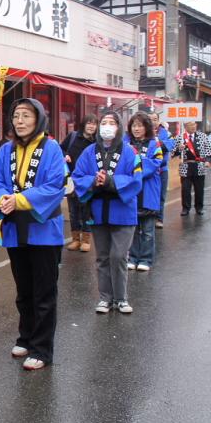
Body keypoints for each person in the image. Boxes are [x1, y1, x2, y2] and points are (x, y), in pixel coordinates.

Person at [0, 98, 65, 371]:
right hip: (14, 229)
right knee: (23, 290)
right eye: (16, 115)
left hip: (44, 231)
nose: (19, 121)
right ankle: (26, 336)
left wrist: (18, 200)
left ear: (39, 119)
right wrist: (1, 199)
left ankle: (42, 349)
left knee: (44, 292)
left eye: (26, 116)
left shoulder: (52, 148)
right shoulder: (5, 150)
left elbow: (55, 185)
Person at [72, 111, 142, 315]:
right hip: (98, 211)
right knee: (102, 257)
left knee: (118, 256)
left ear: (119, 127)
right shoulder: (89, 152)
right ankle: (105, 298)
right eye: (104, 122)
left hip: (123, 210)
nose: (107, 126)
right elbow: (78, 176)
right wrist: (94, 181)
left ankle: (121, 298)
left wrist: (111, 181)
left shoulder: (130, 151)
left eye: (112, 122)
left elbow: (136, 179)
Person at [125, 112, 163, 272]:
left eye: (140, 125)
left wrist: (136, 166)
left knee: (148, 230)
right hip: (132, 189)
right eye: (134, 125)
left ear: (146, 127)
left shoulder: (155, 144)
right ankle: (132, 257)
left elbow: (156, 162)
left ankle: (146, 259)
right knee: (132, 228)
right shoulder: (125, 144)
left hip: (148, 189)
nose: (136, 129)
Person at [60, 114, 97, 251]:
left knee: (86, 209)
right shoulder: (73, 136)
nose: (91, 126)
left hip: (87, 180)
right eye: (89, 123)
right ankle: (75, 239)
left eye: (94, 124)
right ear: (84, 124)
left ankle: (86, 240)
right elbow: (61, 148)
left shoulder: (96, 142)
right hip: (71, 180)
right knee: (73, 211)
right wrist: (65, 155)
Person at [173, 121, 211, 216]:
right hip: (186, 166)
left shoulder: (202, 136)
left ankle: (199, 207)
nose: (193, 126)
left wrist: (208, 161)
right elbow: (173, 153)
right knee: (185, 189)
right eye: (191, 125)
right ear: (185, 126)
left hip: (199, 165)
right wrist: (179, 149)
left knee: (199, 188)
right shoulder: (180, 137)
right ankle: (185, 208)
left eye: (194, 124)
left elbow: (209, 151)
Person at [148, 111, 175, 228]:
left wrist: (155, 142)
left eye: (155, 119)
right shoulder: (143, 132)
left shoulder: (166, 133)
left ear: (158, 121)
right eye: (150, 119)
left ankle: (159, 218)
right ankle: (147, 218)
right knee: (147, 194)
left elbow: (169, 146)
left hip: (162, 170)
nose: (153, 122)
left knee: (161, 195)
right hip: (148, 170)